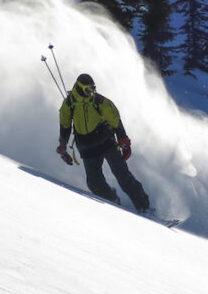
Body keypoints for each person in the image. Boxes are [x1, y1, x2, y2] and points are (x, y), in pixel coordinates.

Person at [56, 73, 151, 214]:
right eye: (88, 90)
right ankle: (112, 201)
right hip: (87, 148)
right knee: (94, 183)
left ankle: (144, 207)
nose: (91, 93)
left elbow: (115, 120)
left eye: (93, 89)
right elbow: (65, 125)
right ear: (80, 88)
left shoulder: (100, 101)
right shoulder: (69, 104)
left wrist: (123, 140)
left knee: (123, 177)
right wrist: (63, 145)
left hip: (106, 143)